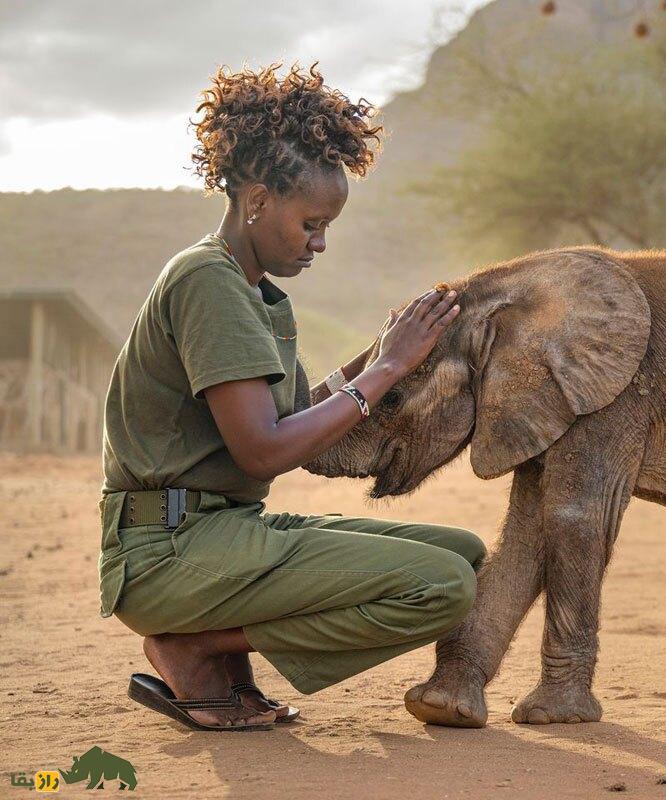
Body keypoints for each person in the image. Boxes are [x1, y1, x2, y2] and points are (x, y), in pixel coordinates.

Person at [96, 62, 484, 731]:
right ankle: (195, 645)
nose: (320, 242)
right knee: (442, 585)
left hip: (222, 535)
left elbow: (296, 424)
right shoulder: (205, 282)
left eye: (327, 226)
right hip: (169, 552)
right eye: (311, 223)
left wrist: (382, 355)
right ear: (255, 200)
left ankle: (219, 654)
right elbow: (262, 450)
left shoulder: (258, 296)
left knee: (463, 552)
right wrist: (383, 372)